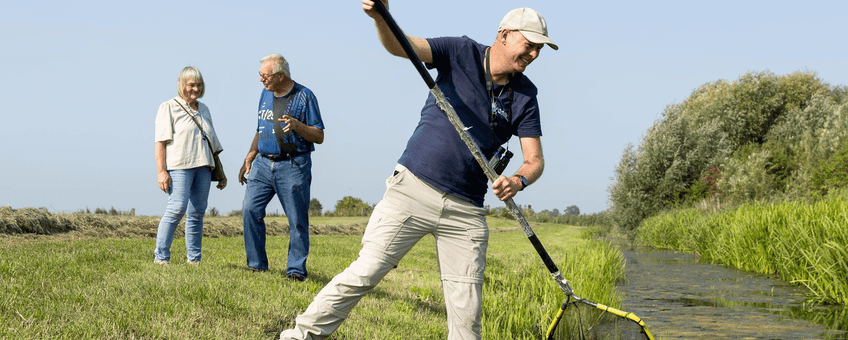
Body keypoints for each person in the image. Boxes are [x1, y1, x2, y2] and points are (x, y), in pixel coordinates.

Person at [280, 2, 556, 339]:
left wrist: (517, 180)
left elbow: (535, 160)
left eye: (539, 49)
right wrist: (382, 17)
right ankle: (298, 336)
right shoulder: (460, 51)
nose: (534, 54)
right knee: (364, 274)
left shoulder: (525, 95)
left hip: (466, 210)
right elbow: (403, 46)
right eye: (529, 45)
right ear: (504, 35)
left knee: (467, 314)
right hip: (412, 188)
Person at [239, 54, 325, 280]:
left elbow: (319, 135)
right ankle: (256, 265)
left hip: (293, 165)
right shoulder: (264, 94)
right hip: (262, 164)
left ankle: (296, 270)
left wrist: (297, 126)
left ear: (280, 75)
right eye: (260, 76)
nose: (261, 80)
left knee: (297, 220)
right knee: (250, 210)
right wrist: (250, 154)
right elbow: (261, 128)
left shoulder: (305, 96)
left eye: (264, 76)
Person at [153, 66, 226, 265]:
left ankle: (194, 259)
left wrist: (220, 173)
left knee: (198, 212)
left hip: (203, 166)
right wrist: (162, 172)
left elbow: (212, 143)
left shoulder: (204, 109)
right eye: (191, 84)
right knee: (176, 209)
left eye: (199, 85)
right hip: (179, 166)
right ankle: (161, 257)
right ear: (182, 85)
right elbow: (160, 142)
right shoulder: (168, 106)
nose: (196, 88)